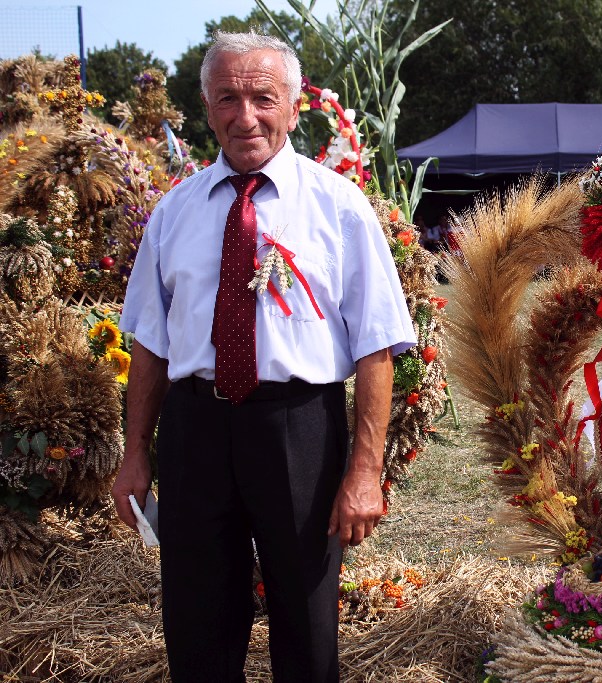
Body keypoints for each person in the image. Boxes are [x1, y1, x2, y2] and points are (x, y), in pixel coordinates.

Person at [111, 31, 416, 683]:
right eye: (227, 97)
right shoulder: (175, 212)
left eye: (261, 97)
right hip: (195, 431)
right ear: (205, 104)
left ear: (294, 103)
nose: (244, 115)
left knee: (305, 620)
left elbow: (376, 347)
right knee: (196, 621)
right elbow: (149, 343)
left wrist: (364, 470)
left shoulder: (339, 208)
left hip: (297, 429)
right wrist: (135, 452)